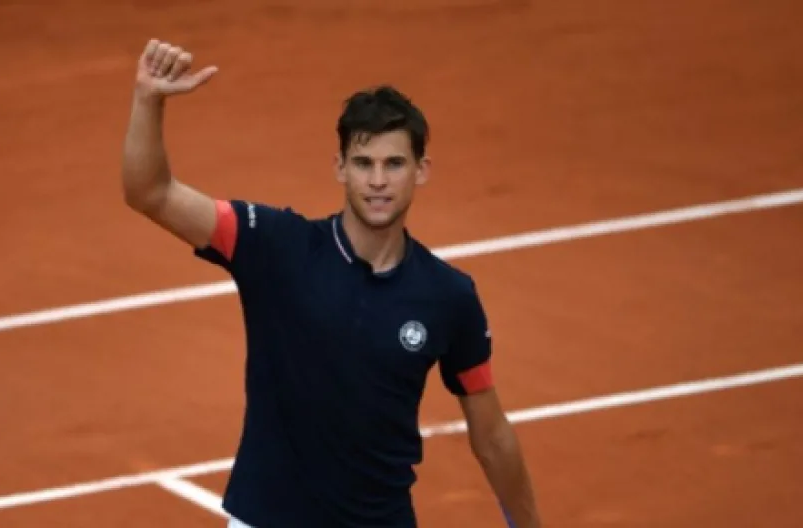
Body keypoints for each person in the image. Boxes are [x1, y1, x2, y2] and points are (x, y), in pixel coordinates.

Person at [121, 38, 542, 528]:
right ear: (340, 168)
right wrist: (148, 101)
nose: (378, 180)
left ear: (421, 171)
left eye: (394, 164)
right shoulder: (277, 246)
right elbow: (150, 192)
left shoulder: (449, 296)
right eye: (363, 163)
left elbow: (491, 436)